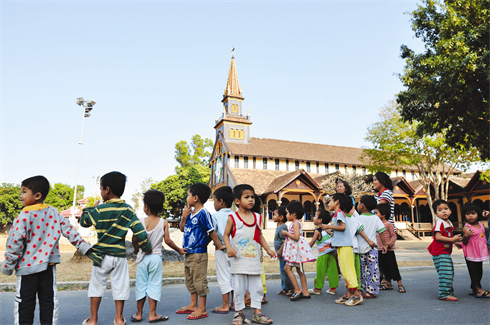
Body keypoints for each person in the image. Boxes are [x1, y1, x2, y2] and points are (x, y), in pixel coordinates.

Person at [2, 175, 92, 325]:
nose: (20, 195)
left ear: (37, 195)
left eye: (24, 192)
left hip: (26, 270)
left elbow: (14, 243)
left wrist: (8, 266)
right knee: (48, 302)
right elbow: (70, 231)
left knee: (24, 303)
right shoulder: (55, 213)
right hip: (48, 269)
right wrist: (83, 246)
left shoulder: (23, 216)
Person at [80, 171, 152, 325]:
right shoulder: (127, 210)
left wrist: (89, 209)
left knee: (96, 287)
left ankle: (93, 319)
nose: (101, 192)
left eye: (100, 189)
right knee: (120, 287)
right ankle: (119, 318)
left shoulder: (99, 210)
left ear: (107, 189)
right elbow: (139, 232)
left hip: (100, 256)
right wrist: (147, 247)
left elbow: (84, 222)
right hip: (119, 256)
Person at [223, 184, 275, 325]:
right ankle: (239, 314)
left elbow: (260, 236)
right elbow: (226, 235)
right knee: (239, 288)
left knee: (257, 288)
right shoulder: (233, 217)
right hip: (238, 261)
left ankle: (257, 314)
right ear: (237, 201)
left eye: (252, 197)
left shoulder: (258, 217)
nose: (251, 199)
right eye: (247, 197)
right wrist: (228, 247)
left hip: (254, 262)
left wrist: (268, 249)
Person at [131, 190, 186, 323]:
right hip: (155, 257)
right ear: (161, 208)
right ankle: (153, 314)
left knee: (141, 285)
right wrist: (178, 249)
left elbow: (134, 238)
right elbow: (167, 241)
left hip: (142, 258)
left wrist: (136, 249)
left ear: (146, 207)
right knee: (154, 285)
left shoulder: (140, 221)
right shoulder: (164, 222)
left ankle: (138, 314)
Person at [176, 183, 225, 320]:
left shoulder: (204, 213)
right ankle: (193, 304)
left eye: (188, 195)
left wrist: (220, 245)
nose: (187, 198)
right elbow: (181, 229)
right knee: (190, 280)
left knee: (199, 281)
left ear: (195, 198)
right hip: (188, 253)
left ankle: (202, 308)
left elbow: (211, 231)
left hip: (199, 254)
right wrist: (184, 216)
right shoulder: (189, 214)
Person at [323, 193, 363, 306]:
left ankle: (356, 295)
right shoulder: (336, 214)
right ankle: (349, 295)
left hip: (345, 247)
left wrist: (328, 226)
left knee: (348, 271)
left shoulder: (339, 214)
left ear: (337, 202)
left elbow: (342, 227)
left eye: (330, 201)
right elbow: (337, 231)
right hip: (341, 246)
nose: (328, 203)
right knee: (345, 271)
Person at [427, 199, 462, 301]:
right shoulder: (439, 223)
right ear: (435, 213)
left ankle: (448, 292)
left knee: (449, 272)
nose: (444, 211)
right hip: (439, 252)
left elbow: (448, 236)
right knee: (445, 273)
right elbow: (438, 237)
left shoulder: (449, 223)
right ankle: (444, 294)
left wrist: (455, 243)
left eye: (446, 209)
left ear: (450, 211)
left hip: (445, 252)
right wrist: (452, 239)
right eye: (440, 210)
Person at [282, 201, 316, 301]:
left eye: (287, 213)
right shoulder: (295, 223)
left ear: (294, 214)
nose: (286, 215)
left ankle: (297, 289)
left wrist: (286, 233)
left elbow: (296, 237)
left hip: (295, 250)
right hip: (295, 249)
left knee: (287, 269)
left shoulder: (295, 223)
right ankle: (305, 292)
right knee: (300, 270)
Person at [356, 195, 388, 298]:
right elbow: (382, 232)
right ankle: (371, 291)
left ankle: (360, 290)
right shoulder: (376, 218)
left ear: (362, 206)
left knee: (360, 270)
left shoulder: (358, 218)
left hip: (360, 248)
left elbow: (358, 231)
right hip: (373, 249)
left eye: (359, 203)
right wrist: (385, 245)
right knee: (373, 269)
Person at [211, 186, 235, 314]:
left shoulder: (215, 216)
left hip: (221, 250)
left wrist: (218, 243)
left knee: (224, 276)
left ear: (220, 201)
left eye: (214, 200)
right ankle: (234, 303)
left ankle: (225, 305)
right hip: (235, 250)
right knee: (235, 276)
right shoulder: (236, 215)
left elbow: (211, 231)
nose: (214, 203)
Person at [460, 203, 490, 297]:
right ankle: (479, 290)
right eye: (467, 214)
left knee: (478, 271)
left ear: (478, 214)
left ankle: (474, 289)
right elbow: (465, 242)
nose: (470, 216)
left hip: (479, 252)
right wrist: (465, 236)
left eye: (473, 213)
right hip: (471, 253)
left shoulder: (481, 224)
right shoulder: (467, 228)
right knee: (474, 272)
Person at [375, 203, 406, 293]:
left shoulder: (388, 224)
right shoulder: (377, 224)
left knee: (393, 267)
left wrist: (388, 244)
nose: (375, 215)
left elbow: (394, 236)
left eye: (376, 213)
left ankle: (400, 284)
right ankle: (388, 283)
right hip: (379, 249)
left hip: (388, 250)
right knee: (383, 267)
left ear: (383, 215)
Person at [307, 209, 338, 295]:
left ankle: (318, 288)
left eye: (315, 216)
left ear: (320, 220)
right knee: (332, 271)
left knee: (320, 272)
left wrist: (304, 248)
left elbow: (312, 242)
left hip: (322, 255)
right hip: (331, 254)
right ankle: (333, 288)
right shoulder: (330, 230)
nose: (313, 218)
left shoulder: (317, 231)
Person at [274, 206, 294, 296]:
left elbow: (285, 241)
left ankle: (290, 288)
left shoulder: (283, 228)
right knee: (282, 270)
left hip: (283, 254)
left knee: (284, 270)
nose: (273, 216)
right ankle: (285, 288)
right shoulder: (279, 227)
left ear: (281, 217)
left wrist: (280, 251)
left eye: (275, 215)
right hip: (281, 254)